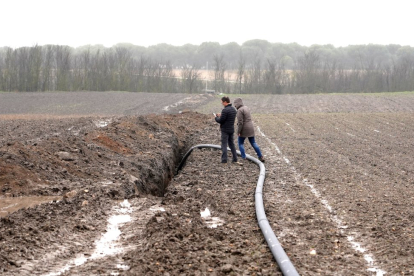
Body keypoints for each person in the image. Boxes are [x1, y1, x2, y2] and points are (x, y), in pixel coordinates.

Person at [234, 98, 265, 162]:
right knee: (253, 142)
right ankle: (260, 156)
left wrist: (238, 131)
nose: (235, 106)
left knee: (240, 143)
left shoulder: (239, 110)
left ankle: (243, 157)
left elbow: (240, 122)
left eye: (235, 104)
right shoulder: (246, 107)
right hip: (251, 127)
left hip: (244, 129)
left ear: (237, 104)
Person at [214, 96, 241, 165]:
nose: (222, 104)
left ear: (225, 102)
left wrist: (216, 117)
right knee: (232, 144)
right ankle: (235, 159)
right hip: (231, 129)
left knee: (224, 145)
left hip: (225, 130)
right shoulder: (233, 110)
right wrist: (221, 114)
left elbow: (221, 120)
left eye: (222, 102)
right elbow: (228, 117)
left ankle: (224, 160)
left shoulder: (225, 110)